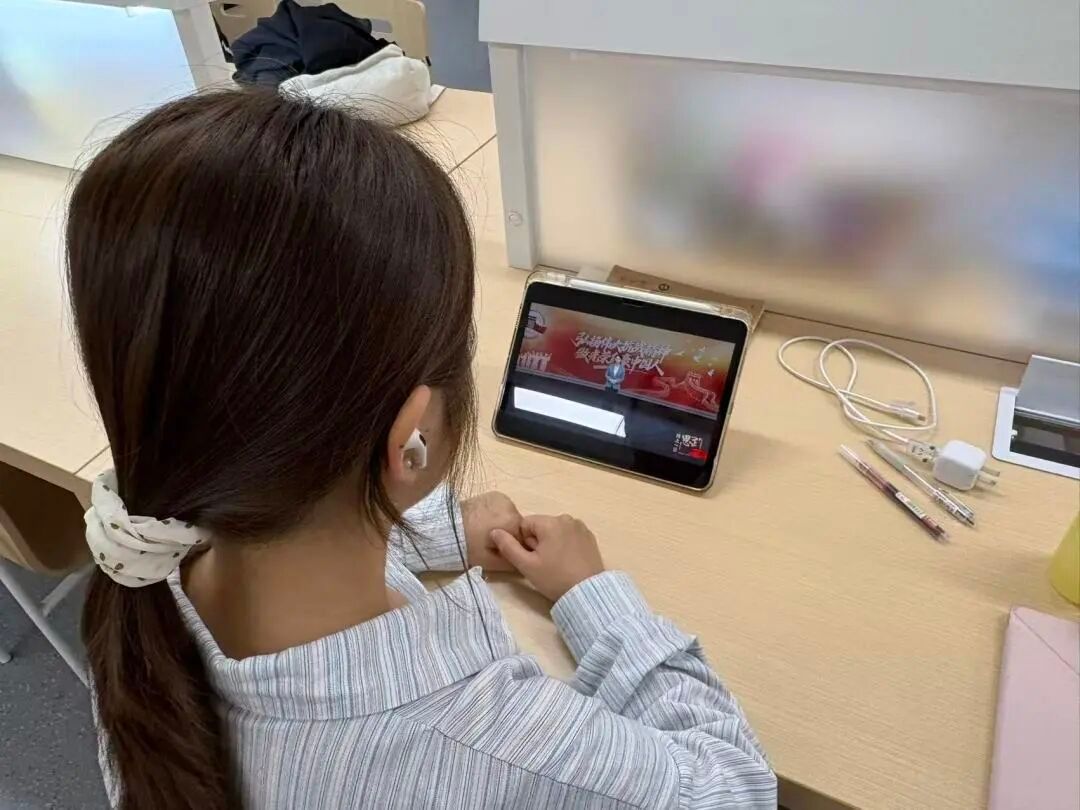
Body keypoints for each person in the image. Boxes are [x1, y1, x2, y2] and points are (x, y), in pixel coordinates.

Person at [67, 89, 776, 810]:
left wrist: (430, 530)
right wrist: (593, 597)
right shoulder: (493, 742)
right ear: (412, 439)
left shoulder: (143, 587)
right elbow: (736, 791)